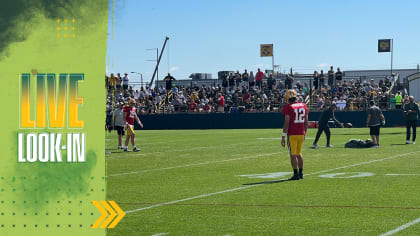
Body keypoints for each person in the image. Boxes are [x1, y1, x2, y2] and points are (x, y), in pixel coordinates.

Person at [281, 93, 308, 180]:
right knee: (299, 153)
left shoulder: (288, 107)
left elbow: (287, 122)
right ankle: (301, 173)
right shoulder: (303, 105)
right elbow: (306, 121)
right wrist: (305, 133)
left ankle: (295, 174)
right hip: (301, 133)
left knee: (293, 154)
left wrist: (283, 136)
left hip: (292, 133)